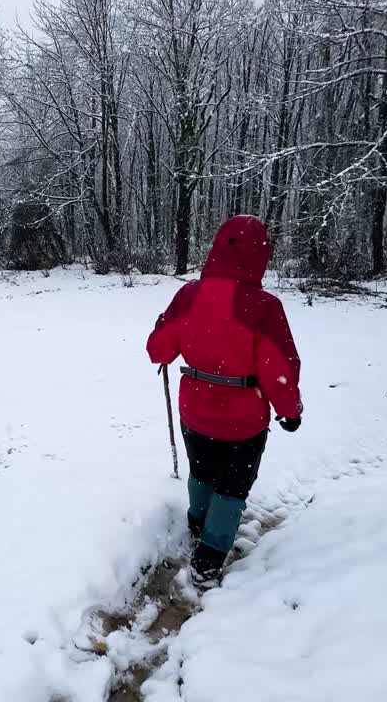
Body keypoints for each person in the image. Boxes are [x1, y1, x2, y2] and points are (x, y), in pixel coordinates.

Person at [146, 215, 303, 586]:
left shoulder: (188, 296)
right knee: (233, 487)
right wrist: (290, 412)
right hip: (244, 422)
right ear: (260, 256)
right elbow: (279, 368)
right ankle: (209, 558)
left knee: (201, 470)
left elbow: (158, 350)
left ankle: (198, 524)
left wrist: (163, 327)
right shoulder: (265, 307)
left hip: (195, 411)